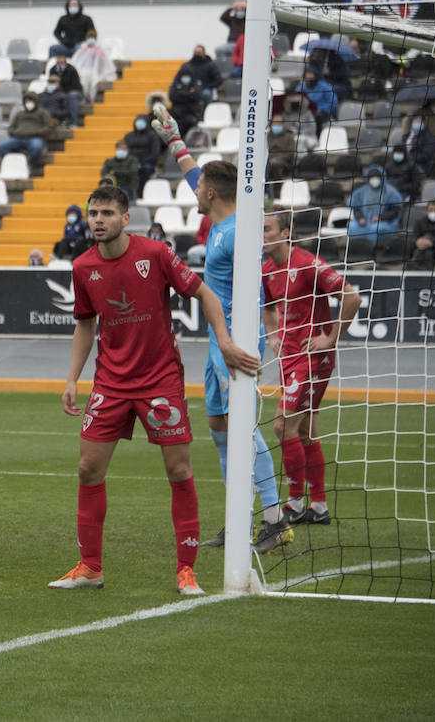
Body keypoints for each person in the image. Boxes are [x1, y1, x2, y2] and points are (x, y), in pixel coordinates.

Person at [52, 184, 260, 594]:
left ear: (126, 219)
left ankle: (187, 571)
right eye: (93, 213)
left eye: (107, 213)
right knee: (88, 469)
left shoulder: (155, 254)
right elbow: (85, 323)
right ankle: (91, 567)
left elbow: (205, 294)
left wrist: (226, 343)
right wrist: (72, 378)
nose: (98, 220)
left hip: (160, 379)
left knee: (178, 470)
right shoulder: (82, 267)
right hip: (110, 381)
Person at [153, 113, 294, 551]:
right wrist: (175, 139)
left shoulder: (236, 234)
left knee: (243, 427)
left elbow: (255, 292)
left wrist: (238, 342)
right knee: (218, 426)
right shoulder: (219, 222)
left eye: (199, 189)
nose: (193, 190)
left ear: (211, 195)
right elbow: (196, 171)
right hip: (220, 341)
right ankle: (239, 517)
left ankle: (275, 519)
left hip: (234, 343)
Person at [262, 209, 361, 527]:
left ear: (285, 233)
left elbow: (352, 297)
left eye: (267, 229)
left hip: (312, 359)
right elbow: (268, 306)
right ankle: (318, 508)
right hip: (289, 358)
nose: (261, 235)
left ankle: (295, 504)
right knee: (305, 431)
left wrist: (331, 338)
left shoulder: (307, 264)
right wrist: (273, 334)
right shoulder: (266, 269)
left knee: (282, 426)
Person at [346, 165, 403, 246]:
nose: (374, 180)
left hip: (385, 222)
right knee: (352, 226)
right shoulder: (361, 191)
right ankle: (356, 249)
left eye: (376, 178)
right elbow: (356, 208)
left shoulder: (390, 192)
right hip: (364, 222)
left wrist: (381, 217)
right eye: (372, 178)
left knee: (375, 229)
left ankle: (371, 249)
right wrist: (360, 218)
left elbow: (395, 210)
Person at [0, 93, 55, 167]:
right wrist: (14, 132)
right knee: (2, 147)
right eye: (27, 101)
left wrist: (38, 132)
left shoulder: (42, 113)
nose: (29, 103)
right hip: (18, 138)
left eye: (31, 101)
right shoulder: (19, 114)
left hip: (35, 138)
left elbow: (49, 126)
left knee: (37, 147)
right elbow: (11, 127)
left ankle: (29, 166)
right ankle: (16, 165)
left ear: (35, 102)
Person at [409, 200, 435, 268]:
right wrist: (417, 241)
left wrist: (432, 243)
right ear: (427, 210)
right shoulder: (419, 221)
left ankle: (414, 261)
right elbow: (414, 236)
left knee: (428, 237)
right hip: (422, 248)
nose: (433, 212)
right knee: (428, 251)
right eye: (431, 210)